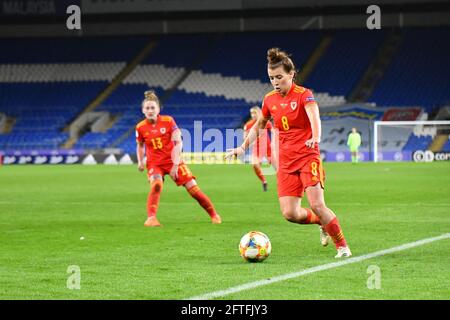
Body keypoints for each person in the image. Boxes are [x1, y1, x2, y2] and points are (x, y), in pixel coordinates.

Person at [226, 48, 351, 258]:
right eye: (271, 78)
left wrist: (316, 136)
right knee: (290, 213)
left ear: (291, 74)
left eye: (279, 77)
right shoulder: (269, 100)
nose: (275, 82)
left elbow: (314, 116)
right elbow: (259, 125)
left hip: (307, 156)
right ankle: (321, 221)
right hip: (286, 162)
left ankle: (342, 247)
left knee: (317, 204)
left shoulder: (304, 95)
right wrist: (242, 147)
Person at [136, 90, 222, 227]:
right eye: (147, 108)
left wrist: (175, 165)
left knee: (192, 188)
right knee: (157, 184)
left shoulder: (168, 121)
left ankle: (214, 215)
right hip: (154, 163)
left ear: (158, 109)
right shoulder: (140, 127)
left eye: (153, 107)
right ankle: (151, 218)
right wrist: (140, 161)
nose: (150, 110)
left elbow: (178, 143)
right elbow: (140, 145)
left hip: (173, 161)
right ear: (143, 110)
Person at [243, 106, 276, 191]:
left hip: (267, 148)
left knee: (277, 168)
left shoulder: (265, 122)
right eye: (251, 113)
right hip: (256, 149)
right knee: (255, 165)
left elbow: (274, 132)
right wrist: (250, 141)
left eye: (255, 113)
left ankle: (284, 184)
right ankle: (264, 181)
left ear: (259, 112)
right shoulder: (248, 125)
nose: (253, 115)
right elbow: (245, 137)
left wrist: (273, 142)